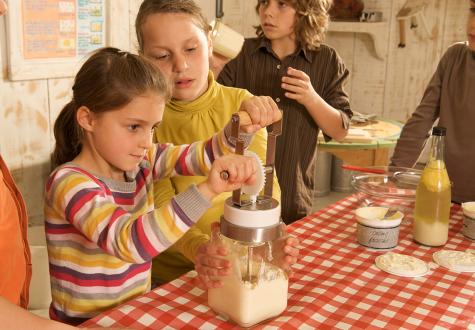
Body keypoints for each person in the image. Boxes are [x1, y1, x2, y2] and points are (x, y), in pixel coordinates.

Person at [44, 47, 281, 325]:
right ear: (88, 119)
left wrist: (240, 130)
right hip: (82, 324)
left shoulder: (142, 161)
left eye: (153, 127)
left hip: (134, 316)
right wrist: (206, 191)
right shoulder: (69, 183)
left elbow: (203, 154)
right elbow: (129, 242)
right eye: (134, 127)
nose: (146, 141)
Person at [135, 0, 299, 287]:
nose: (180, 65)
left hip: (239, 263)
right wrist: (200, 250)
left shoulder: (242, 105)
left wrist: (265, 245)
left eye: (190, 49)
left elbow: (261, 185)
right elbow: (158, 204)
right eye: (161, 55)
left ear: (209, 44)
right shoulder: (144, 122)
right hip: (170, 276)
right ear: (142, 59)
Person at [217, 0, 353, 223]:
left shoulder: (327, 61)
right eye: (264, 2)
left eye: (281, 4)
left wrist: (311, 98)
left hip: (292, 200)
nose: (267, 12)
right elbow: (215, 117)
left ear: (305, 11)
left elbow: (340, 131)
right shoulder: (239, 54)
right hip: (236, 194)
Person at [390, 0, 475, 203]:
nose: (473, 23)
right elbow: (421, 120)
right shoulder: (454, 57)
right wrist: (394, 176)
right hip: (444, 192)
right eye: (473, 10)